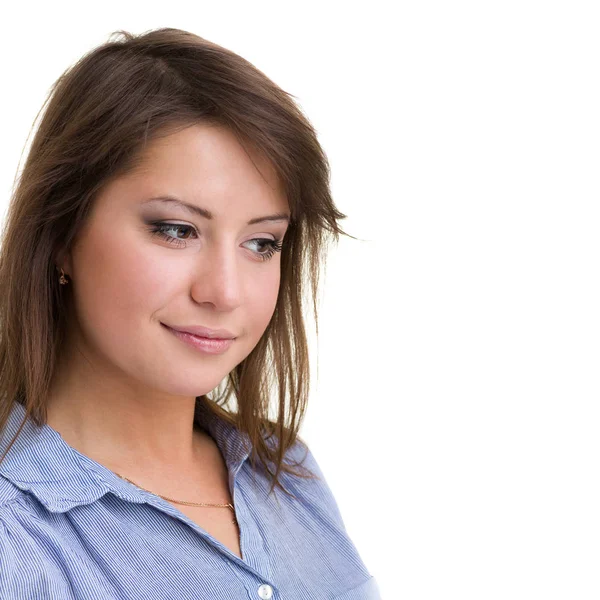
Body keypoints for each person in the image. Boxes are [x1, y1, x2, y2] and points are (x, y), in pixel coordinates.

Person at [0, 28, 381, 599]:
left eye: (262, 243)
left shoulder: (287, 473)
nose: (225, 292)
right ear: (62, 233)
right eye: (176, 231)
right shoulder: (16, 537)